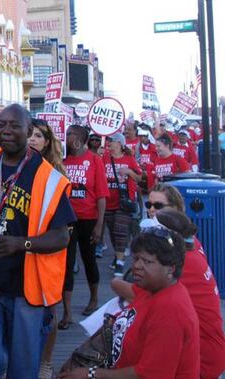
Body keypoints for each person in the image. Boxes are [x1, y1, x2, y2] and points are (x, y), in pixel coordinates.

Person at [0, 104, 74, 379]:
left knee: (22, 369)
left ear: (28, 131)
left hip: (28, 284)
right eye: (2, 125)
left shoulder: (48, 177)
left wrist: (21, 243)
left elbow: (62, 236)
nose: (6, 131)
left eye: (14, 126)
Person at [60, 228, 199, 378]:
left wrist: (91, 373)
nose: (136, 266)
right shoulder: (150, 289)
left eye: (147, 261)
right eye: (135, 258)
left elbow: (148, 375)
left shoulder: (171, 311)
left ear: (171, 269)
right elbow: (119, 286)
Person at [154, 209, 225, 379]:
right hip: (210, 351)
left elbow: (138, 295)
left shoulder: (180, 264)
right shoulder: (192, 248)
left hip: (202, 359)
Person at [28, 118, 66, 379]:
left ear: (47, 142)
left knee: (48, 308)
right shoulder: (7, 167)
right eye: (29, 133)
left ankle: (46, 362)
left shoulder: (55, 175)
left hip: (50, 247)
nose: (32, 139)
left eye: (38, 135)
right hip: (18, 249)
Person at [61, 125, 108, 328]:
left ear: (80, 137)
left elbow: (101, 194)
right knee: (67, 264)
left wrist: (100, 225)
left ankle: (94, 299)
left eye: (71, 134)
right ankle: (67, 312)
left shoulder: (95, 160)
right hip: (68, 219)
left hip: (89, 218)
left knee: (89, 260)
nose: (68, 137)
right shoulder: (62, 161)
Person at [103, 132, 142, 277]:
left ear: (119, 143)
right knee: (113, 232)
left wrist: (129, 172)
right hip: (108, 201)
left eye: (111, 141)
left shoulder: (129, 159)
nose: (109, 144)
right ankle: (118, 254)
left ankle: (120, 263)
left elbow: (139, 177)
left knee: (120, 230)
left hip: (124, 202)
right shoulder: (104, 158)